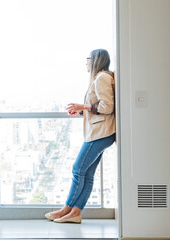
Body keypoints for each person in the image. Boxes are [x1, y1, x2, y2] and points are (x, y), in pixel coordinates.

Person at [45, 49, 116, 224]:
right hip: (100, 132)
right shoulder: (100, 78)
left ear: (96, 60)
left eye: (88, 59)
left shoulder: (101, 78)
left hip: (100, 134)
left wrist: (83, 106)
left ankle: (66, 209)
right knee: (87, 174)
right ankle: (75, 212)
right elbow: (98, 108)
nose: (86, 62)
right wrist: (80, 110)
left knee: (78, 170)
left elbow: (107, 107)